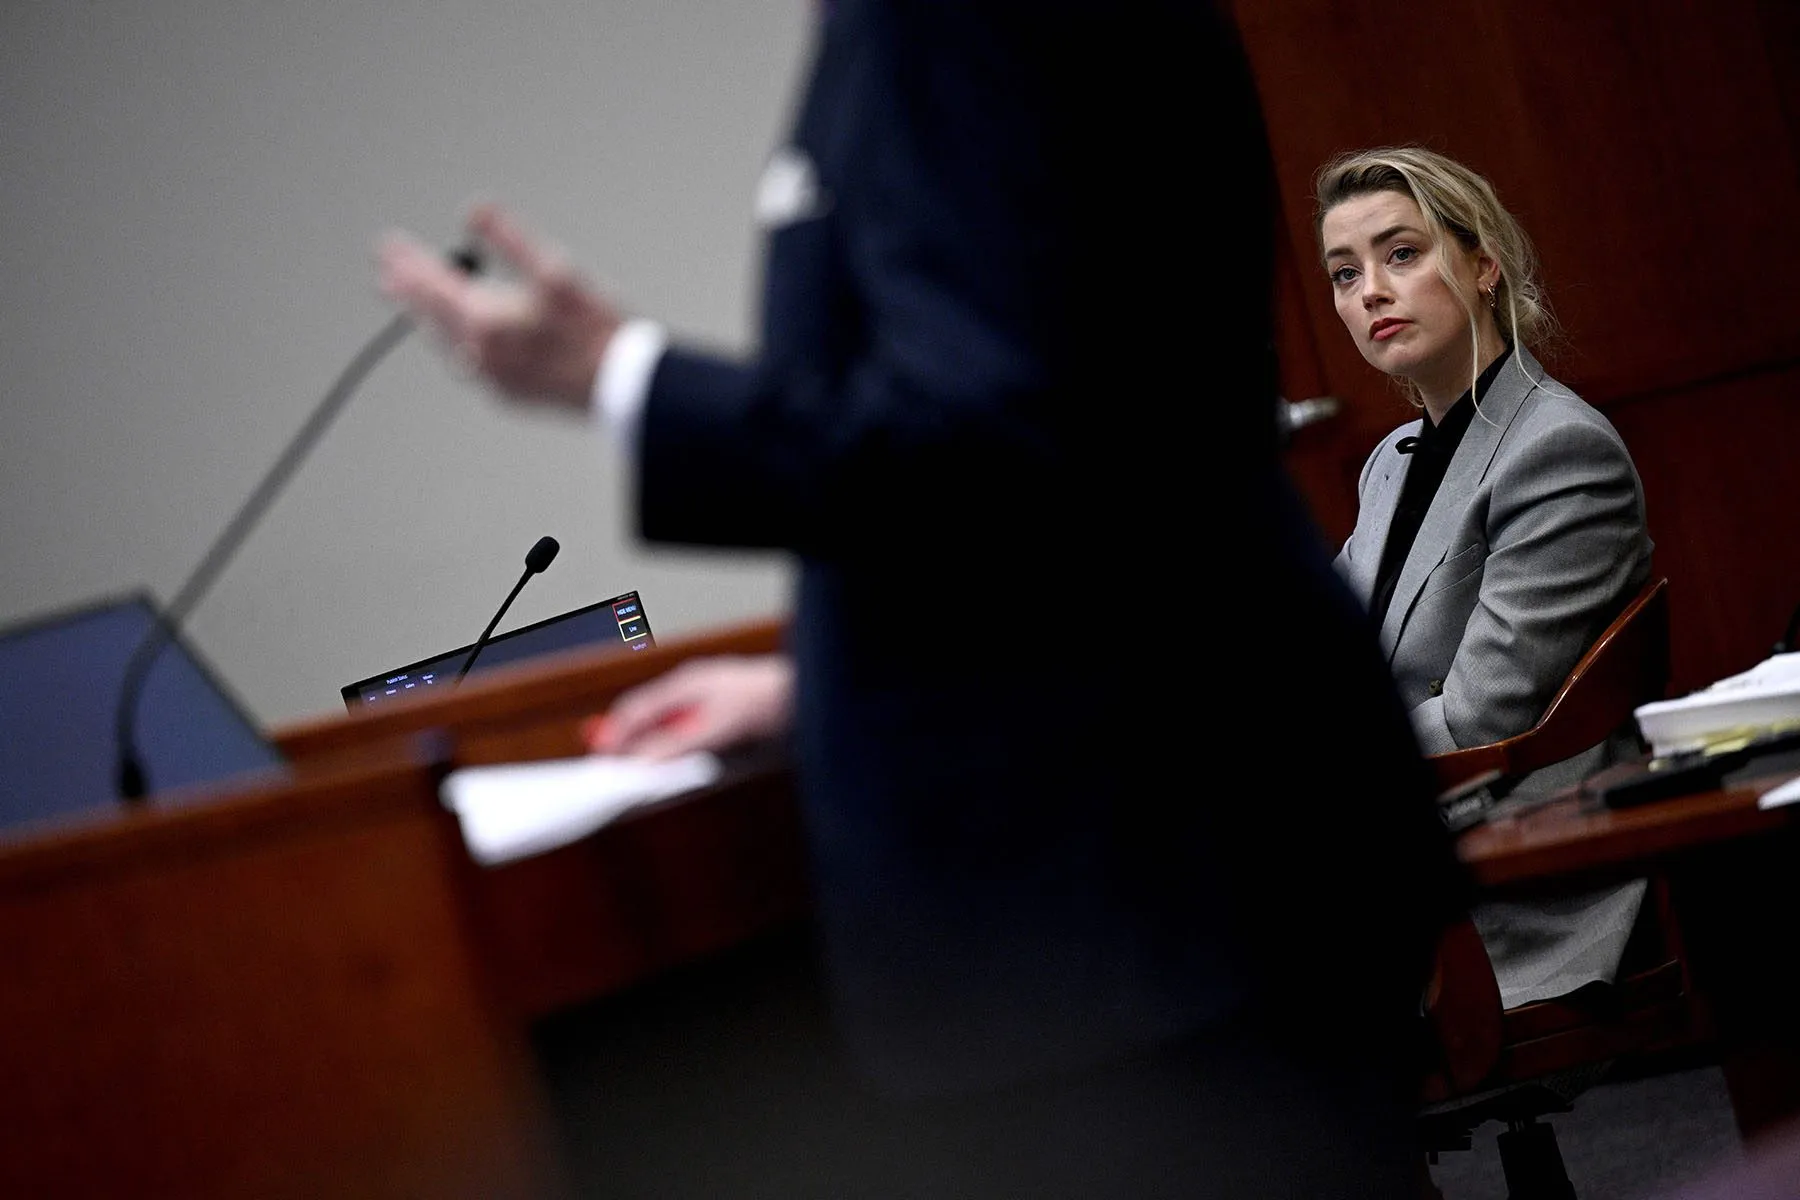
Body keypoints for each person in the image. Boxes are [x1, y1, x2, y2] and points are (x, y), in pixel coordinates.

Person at [378, 5, 1466, 1195]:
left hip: (1131, 887)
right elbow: (1085, 436)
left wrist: (619, 378)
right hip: (1176, 854)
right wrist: (817, 684)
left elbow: (987, 433)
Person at [1314, 145, 1656, 1014]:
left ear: (1483, 264)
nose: (1370, 294)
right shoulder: (1391, 462)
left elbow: (1477, 719)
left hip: (1505, 869)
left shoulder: (1556, 450)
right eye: (1344, 274)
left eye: (1401, 253)